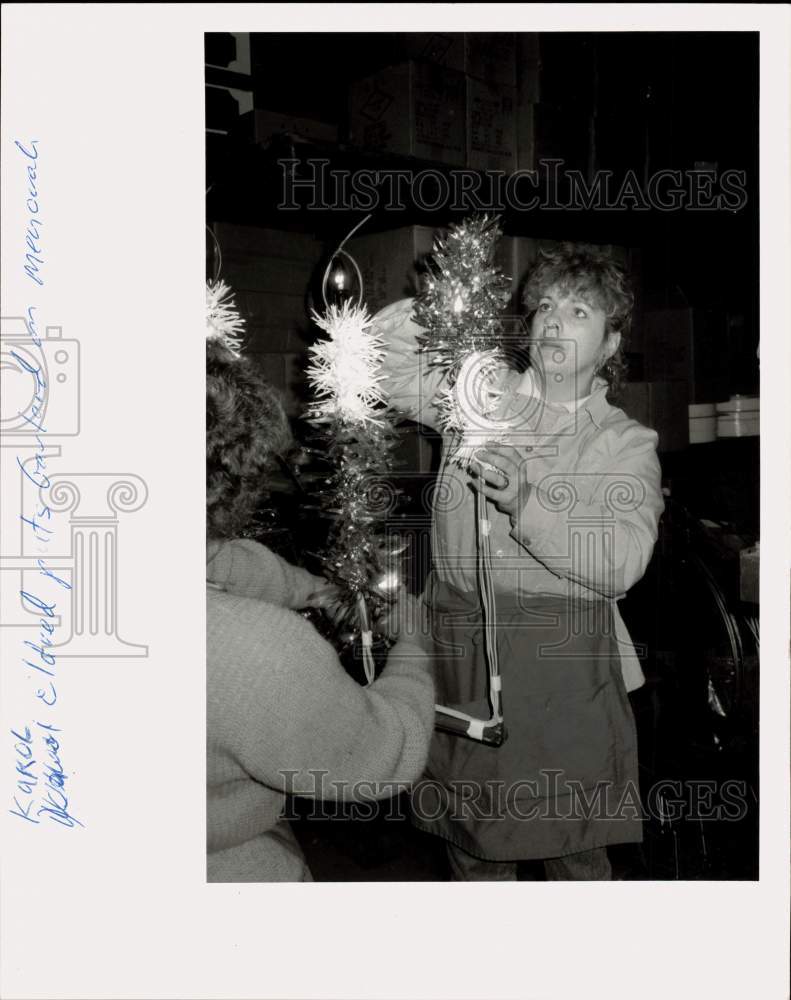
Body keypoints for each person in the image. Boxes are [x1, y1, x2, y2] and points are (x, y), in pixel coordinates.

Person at [371, 243, 664, 880]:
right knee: (473, 850)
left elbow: (622, 559)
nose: (555, 320)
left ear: (611, 344)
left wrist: (530, 503)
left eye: (580, 311)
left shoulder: (624, 442)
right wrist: (443, 308)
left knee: (574, 855)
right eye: (547, 306)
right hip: (463, 655)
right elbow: (387, 367)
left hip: (562, 671)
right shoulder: (478, 395)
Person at [205, 329, 434, 883]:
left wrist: (310, 589)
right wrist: (414, 645)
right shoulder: (260, 649)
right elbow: (383, 754)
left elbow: (219, 561)